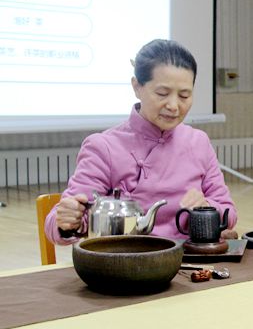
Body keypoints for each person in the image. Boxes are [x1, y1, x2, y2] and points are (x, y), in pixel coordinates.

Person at [45, 39, 238, 244]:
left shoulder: (198, 142)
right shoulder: (104, 147)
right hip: (125, 258)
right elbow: (56, 224)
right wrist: (67, 220)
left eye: (184, 95)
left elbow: (229, 212)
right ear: (137, 87)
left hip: (189, 258)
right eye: (162, 94)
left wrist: (207, 208)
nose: (174, 106)